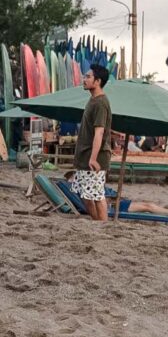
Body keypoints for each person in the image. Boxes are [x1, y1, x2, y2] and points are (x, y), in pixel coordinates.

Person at [71, 64, 113, 221]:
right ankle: (98, 224)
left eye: (88, 77)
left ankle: (102, 226)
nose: (84, 79)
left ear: (98, 81)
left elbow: (99, 132)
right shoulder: (92, 100)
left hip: (95, 157)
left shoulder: (101, 102)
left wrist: (94, 158)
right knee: (86, 196)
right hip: (85, 156)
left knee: (96, 195)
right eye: (85, 76)